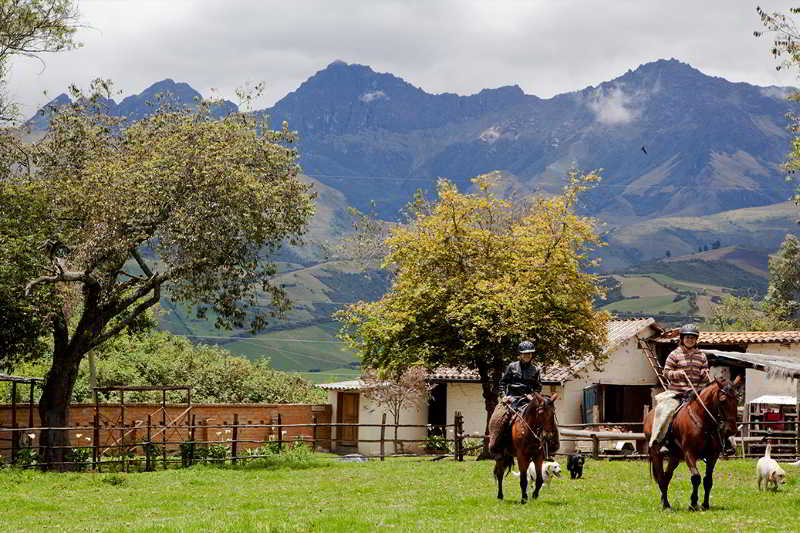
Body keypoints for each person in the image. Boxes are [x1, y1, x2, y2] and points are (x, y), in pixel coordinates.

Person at [650, 323, 735, 455]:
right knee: (666, 412)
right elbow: (666, 373)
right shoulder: (674, 354)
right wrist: (677, 373)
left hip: (697, 393)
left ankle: (724, 443)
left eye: (693, 338)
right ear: (682, 338)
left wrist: (705, 373)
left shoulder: (701, 355)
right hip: (678, 393)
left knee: (717, 410)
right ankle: (663, 442)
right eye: (687, 337)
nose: (690, 340)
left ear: (696, 340)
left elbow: (704, 369)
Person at [488, 340, 543, 456]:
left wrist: (532, 396)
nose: (527, 356)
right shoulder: (512, 367)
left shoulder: (536, 370)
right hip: (511, 399)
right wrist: (504, 396)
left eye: (529, 353)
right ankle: (495, 446)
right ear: (520, 355)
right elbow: (502, 383)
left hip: (528, 400)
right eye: (524, 353)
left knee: (545, 415)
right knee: (498, 418)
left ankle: (547, 448)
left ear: (532, 355)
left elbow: (538, 387)